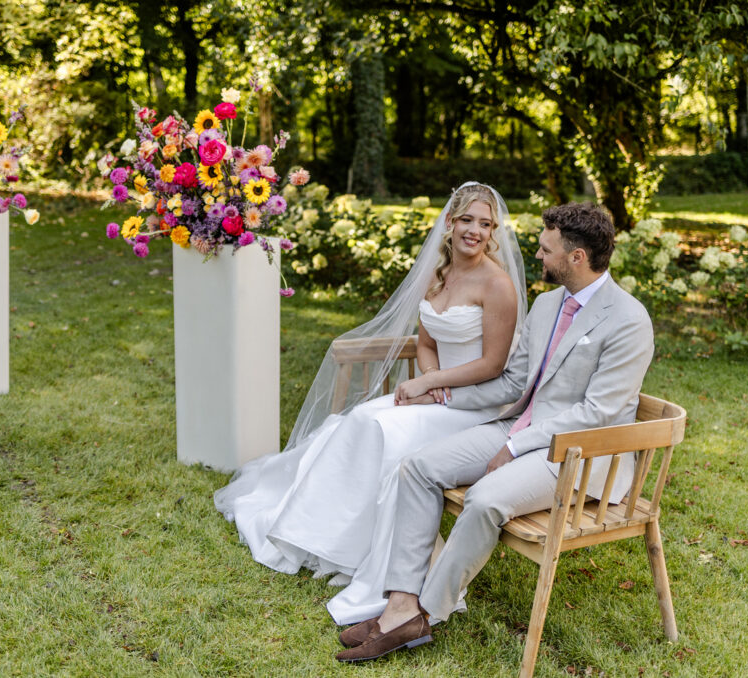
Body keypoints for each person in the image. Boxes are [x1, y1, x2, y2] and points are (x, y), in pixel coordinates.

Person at [335, 201, 655, 662]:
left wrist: (514, 445)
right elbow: (510, 384)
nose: (538, 257)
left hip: (581, 455)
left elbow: (597, 412)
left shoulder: (628, 319)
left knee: (485, 500)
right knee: (419, 468)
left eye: (546, 250)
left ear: (576, 257)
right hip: (519, 429)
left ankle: (425, 613)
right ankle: (400, 602)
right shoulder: (547, 305)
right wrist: (438, 392)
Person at [214, 183, 527, 604]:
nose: (475, 231)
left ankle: (354, 553)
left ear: (493, 232)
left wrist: (429, 384)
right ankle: (315, 535)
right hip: (437, 397)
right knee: (356, 420)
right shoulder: (439, 274)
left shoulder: (498, 285)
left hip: (475, 405)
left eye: (485, 224)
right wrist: (430, 381)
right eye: (467, 220)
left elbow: (493, 364)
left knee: (378, 428)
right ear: (449, 223)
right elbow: (428, 343)